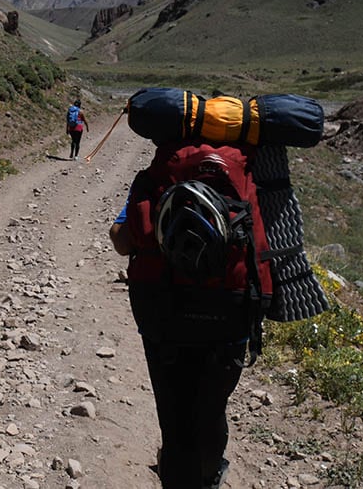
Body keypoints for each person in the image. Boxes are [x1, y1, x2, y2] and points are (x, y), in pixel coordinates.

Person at [109, 165, 248, 489]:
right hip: (230, 312)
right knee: (212, 408)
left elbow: (121, 241)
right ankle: (208, 474)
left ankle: (176, 474)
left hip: (164, 311)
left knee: (174, 418)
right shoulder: (248, 171)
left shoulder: (158, 173)